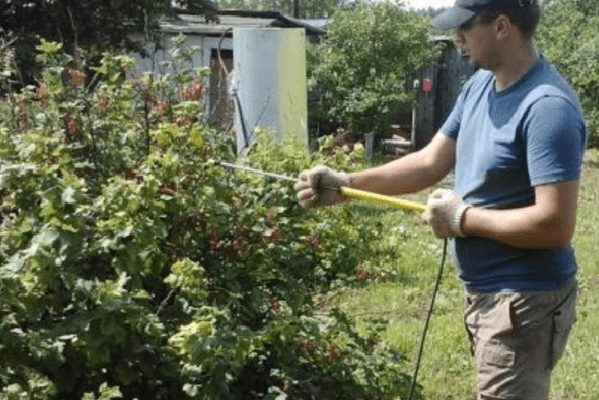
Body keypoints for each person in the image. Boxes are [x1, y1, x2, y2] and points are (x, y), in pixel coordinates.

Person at [294, 0, 587, 399]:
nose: (457, 38)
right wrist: (345, 183)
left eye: (465, 27)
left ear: (502, 25)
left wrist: (462, 218)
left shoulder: (547, 108)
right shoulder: (480, 86)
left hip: (523, 301)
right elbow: (430, 162)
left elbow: (555, 224)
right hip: (489, 294)